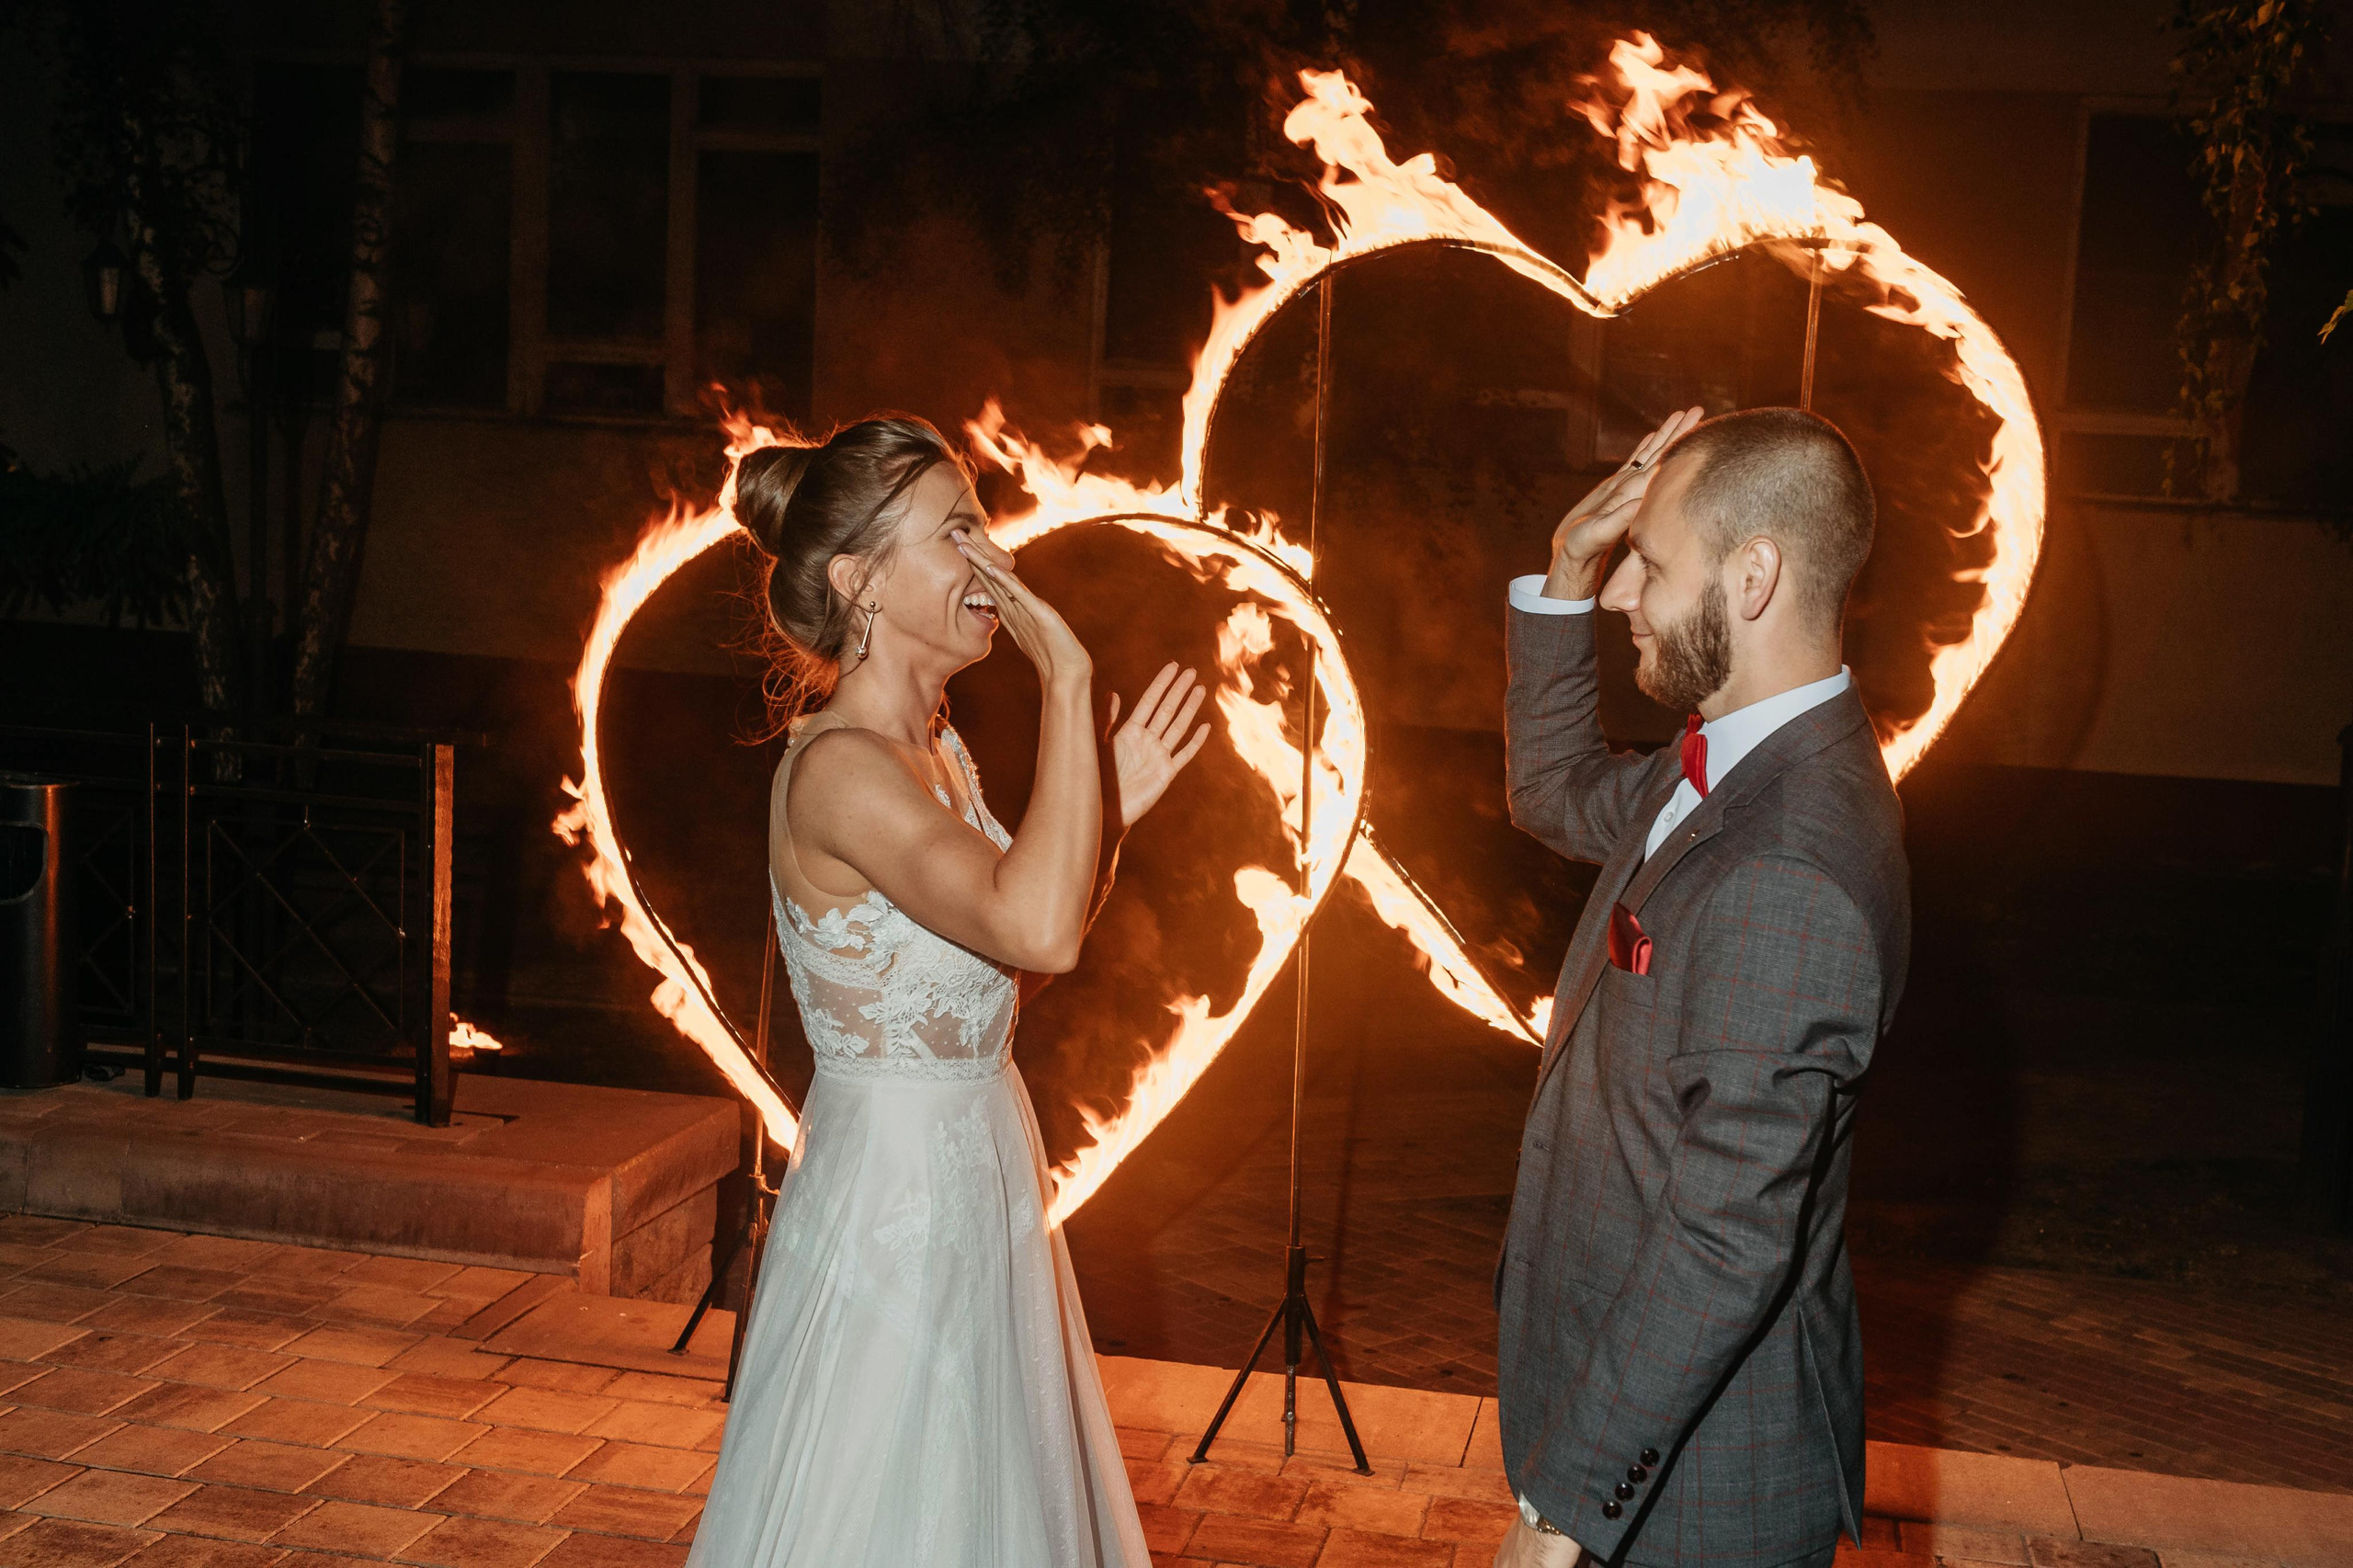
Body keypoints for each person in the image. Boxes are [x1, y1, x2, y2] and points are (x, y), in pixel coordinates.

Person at [685, 414, 1210, 1568]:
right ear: (858, 577)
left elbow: (1005, 968)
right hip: (893, 1203)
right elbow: (1033, 924)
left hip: (983, 1170)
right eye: (958, 529)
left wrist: (1100, 819)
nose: (996, 558)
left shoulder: (942, 752)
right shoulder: (839, 770)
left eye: (986, 522)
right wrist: (1066, 676)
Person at [1492, 406, 1912, 1568]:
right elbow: (1555, 789)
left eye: (1651, 565)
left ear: (1755, 573)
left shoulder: (1786, 858)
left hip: (1695, 1483)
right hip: (1625, 1396)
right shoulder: (1740, 759)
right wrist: (1566, 571)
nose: (1626, 593)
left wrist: (1562, 1506)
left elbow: (1726, 1236)